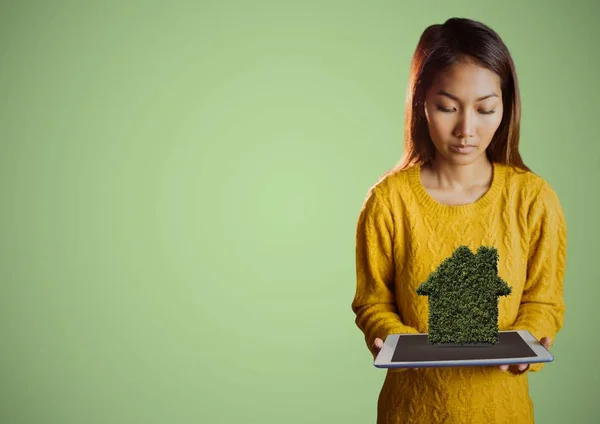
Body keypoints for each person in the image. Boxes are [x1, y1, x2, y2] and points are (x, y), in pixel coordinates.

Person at [351, 17, 567, 424]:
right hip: (411, 411)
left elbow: (543, 300)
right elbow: (372, 301)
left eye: (486, 109)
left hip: (503, 412)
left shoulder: (533, 199)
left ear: (506, 106)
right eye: (448, 107)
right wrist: (394, 343)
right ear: (421, 104)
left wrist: (528, 344)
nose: (467, 129)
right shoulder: (388, 201)